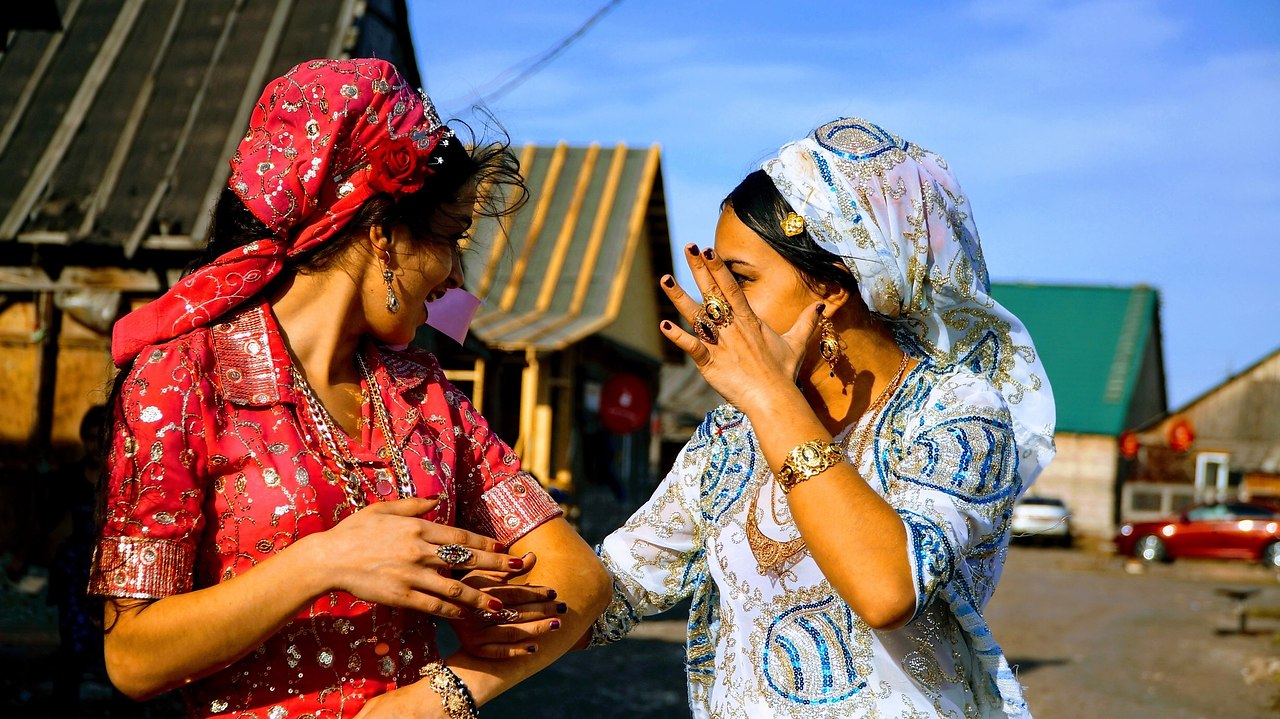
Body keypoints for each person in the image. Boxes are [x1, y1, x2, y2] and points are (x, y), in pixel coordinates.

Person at [88, 58, 610, 719]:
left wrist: (436, 697)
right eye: (450, 239)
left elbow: (579, 580)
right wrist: (324, 560)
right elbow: (131, 655)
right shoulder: (184, 375)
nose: (455, 275)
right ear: (382, 233)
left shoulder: (422, 393)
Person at [587, 118, 1056, 718]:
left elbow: (887, 589)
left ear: (831, 289)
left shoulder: (956, 413)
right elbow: (619, 582)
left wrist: (770, 399)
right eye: (716, 279)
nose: (717, 304)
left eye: (742, 279)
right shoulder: (731, 435)